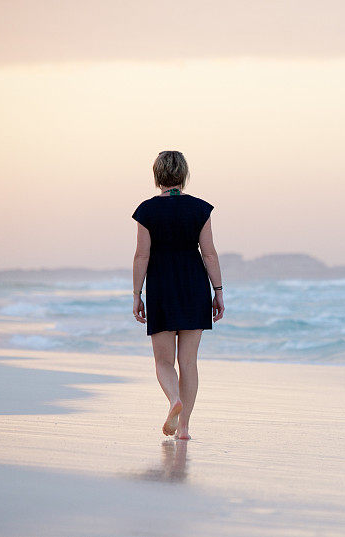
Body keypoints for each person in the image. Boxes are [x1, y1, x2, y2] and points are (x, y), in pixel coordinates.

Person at [131, 150, 225, 440]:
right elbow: (208, 254)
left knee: (163, 362)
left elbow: (141, 256)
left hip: (161, 286)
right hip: (194, 286)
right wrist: (218, 291)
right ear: (184, 175)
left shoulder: (147, 210)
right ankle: (183, 429)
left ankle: (173, 400)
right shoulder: (200, 209)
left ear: (157, 175)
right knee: (189, 363)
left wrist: (137, 294)